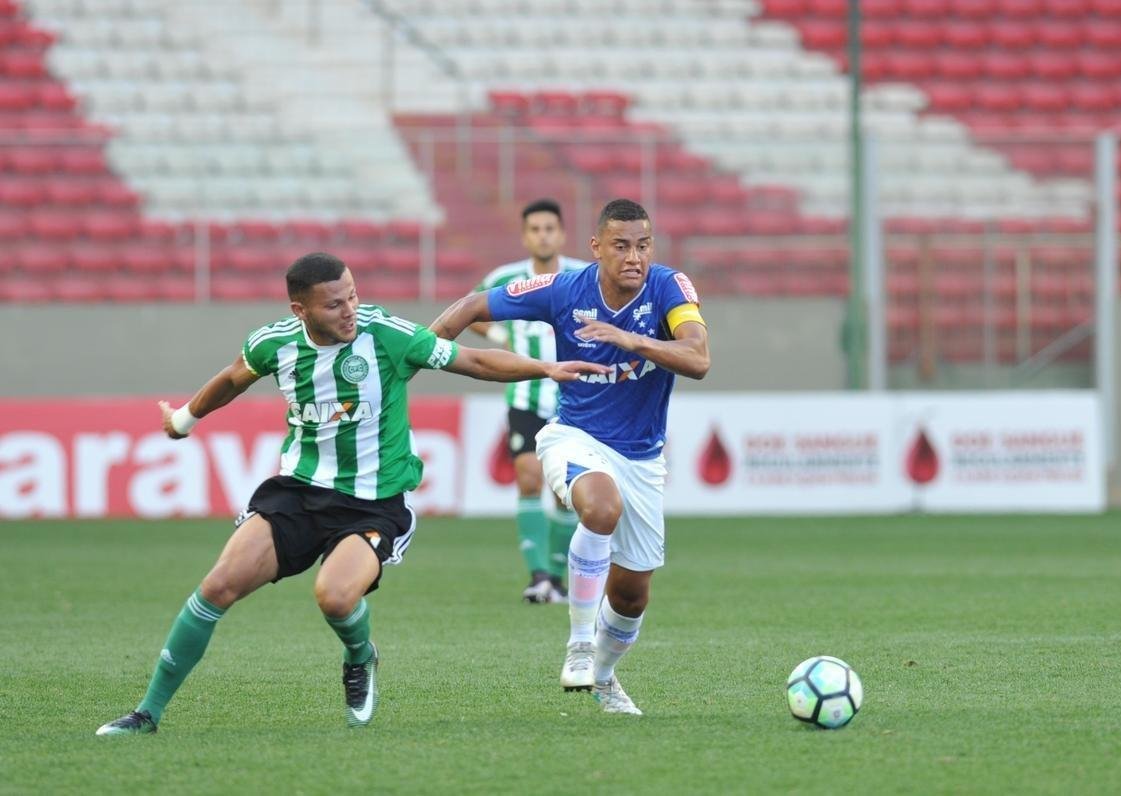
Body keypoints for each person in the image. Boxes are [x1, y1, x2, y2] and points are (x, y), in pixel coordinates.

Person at [96, 252, 606, 736]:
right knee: (216, 587)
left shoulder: (386, 335)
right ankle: (146, 714)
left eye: (354, 296)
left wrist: (547, 368)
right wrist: (184, 420)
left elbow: (470, 359)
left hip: (375, 502)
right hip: (296, 492)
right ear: (301, 310)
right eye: (334, 304)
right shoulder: (275, 343)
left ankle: (360, 657)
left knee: (335, 597)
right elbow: (233, 377)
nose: (350, 310)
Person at [431, 199, 710, 715]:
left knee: (631, 598)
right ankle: (579, 641)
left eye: (644, 246)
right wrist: (420, 352)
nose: (635, 257)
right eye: (622, 246)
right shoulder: (564, 289)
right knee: (601, 508)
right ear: (596, 248)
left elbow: (698, 359)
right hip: (573, 435)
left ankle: (604, 677)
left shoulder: (670, 287)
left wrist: (632, 340)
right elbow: (472, 306)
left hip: (643, 457)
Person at [470, 198, 590, 604]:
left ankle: (557, 578)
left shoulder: (581, 274)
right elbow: (471, 310)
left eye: (549, 228)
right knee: (527, 478)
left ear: (562, 233)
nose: (543, 235)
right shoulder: (505, 277)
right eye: (535, 229)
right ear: (525, 236)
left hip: (573, 397)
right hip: (524, 392)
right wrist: (498, 336)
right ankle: (538, 574)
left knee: (563, 489)